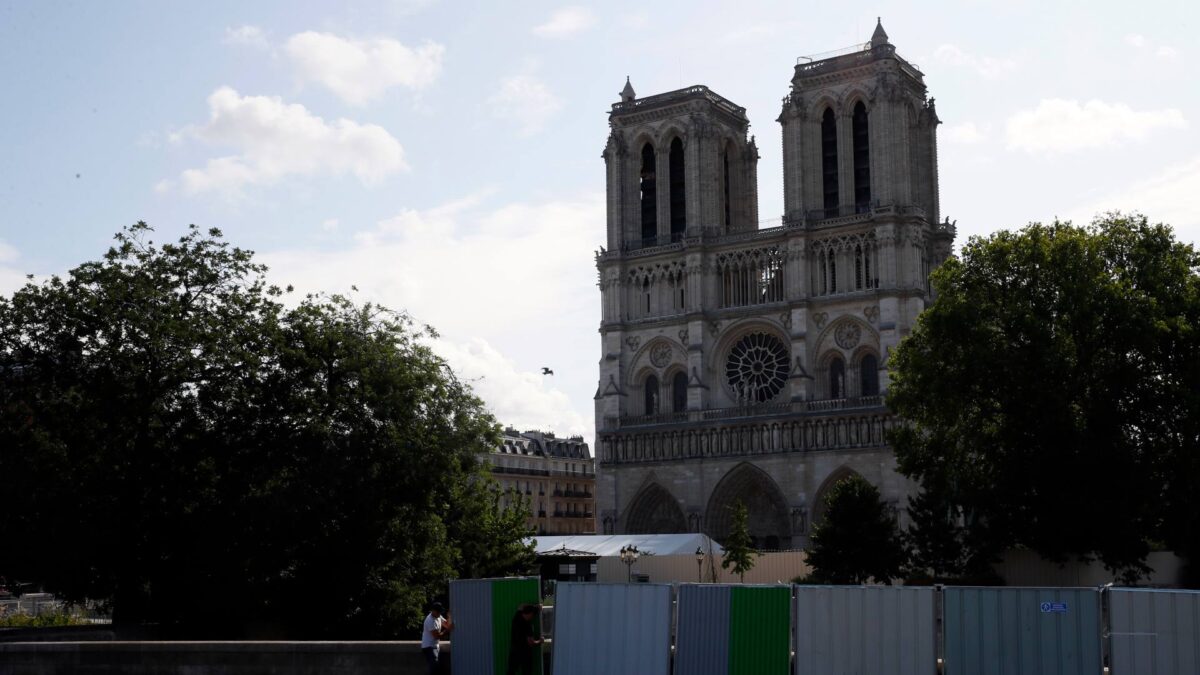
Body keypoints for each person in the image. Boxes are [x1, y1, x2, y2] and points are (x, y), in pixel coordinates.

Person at [505, 604, 542, 675]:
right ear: (530, 614)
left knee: (511, 671)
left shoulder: (517, 616)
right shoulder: (528, 626)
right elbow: (531, 643)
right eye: (533, 614)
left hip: (514, 651)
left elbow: (521, 607)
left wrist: (535, 607)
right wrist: (540, 641)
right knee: (526, 672)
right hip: (525, 653)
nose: (533, 616)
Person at [421, 601, 453, 675]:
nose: (439, 613)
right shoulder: (430, 620)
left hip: (434, 646)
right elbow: (437, 636)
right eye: (438, 612)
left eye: (440, 612)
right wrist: (447, 630)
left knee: (437, 667)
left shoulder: (438, 616)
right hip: (429, 647)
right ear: (433, 611)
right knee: (434, 668)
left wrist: (449, 617)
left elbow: (446, 624)